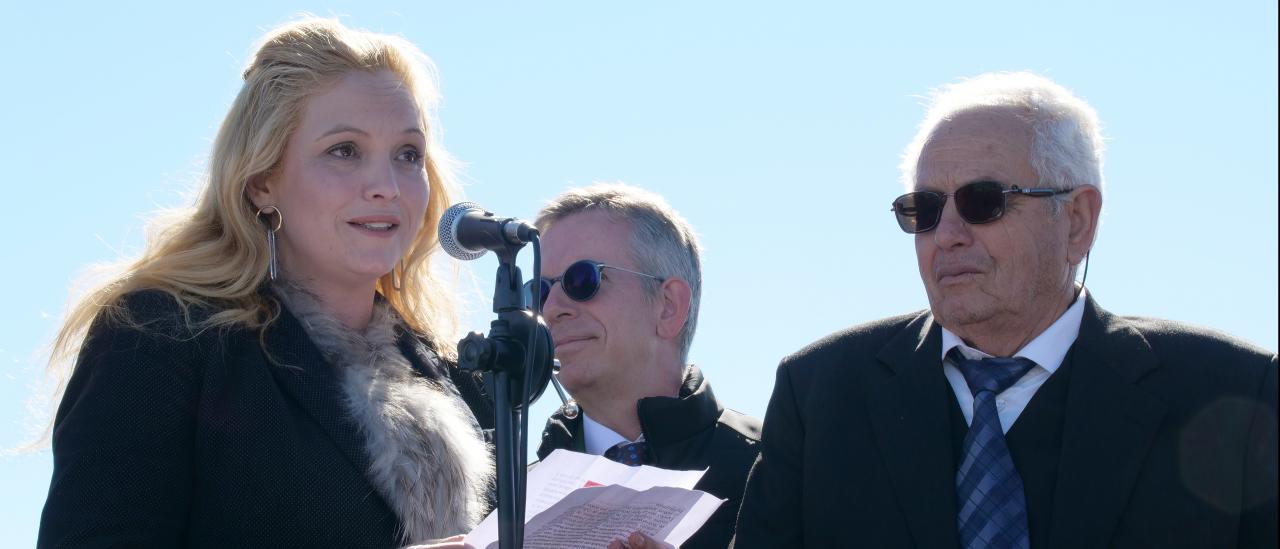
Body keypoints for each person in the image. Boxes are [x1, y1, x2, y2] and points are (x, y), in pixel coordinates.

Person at [733, 72, 1277, 548]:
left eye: (983, 200)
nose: (946, 235)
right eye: (924, 209)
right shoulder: (821, 395)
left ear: (1078, 220)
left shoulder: (1236, 393)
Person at [38, 18, 494, 549]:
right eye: (344, 150)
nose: (386, 187)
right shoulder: (161, 337)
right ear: (261, 183)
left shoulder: (457, 379)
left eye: (408, 154)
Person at [531, 184, 762, 549]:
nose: (552, 307)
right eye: (539, 291)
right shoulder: (505, 503)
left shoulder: (774, 470)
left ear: (668, 305)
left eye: (582, 280)